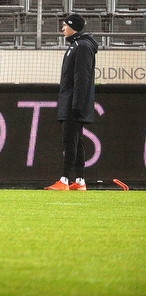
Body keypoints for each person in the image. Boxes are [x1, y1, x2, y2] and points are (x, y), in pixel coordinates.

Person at [45, 13, 98, 192]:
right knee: (77, 140)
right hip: (72, 101)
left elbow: (81, 77)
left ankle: (64, 180)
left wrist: (76, 104)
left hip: (74, 104)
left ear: (72, 26)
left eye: (64, 25)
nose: (62, 29)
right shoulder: (77, 45)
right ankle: (80, 181)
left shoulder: (81, 46)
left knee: (69, 140)